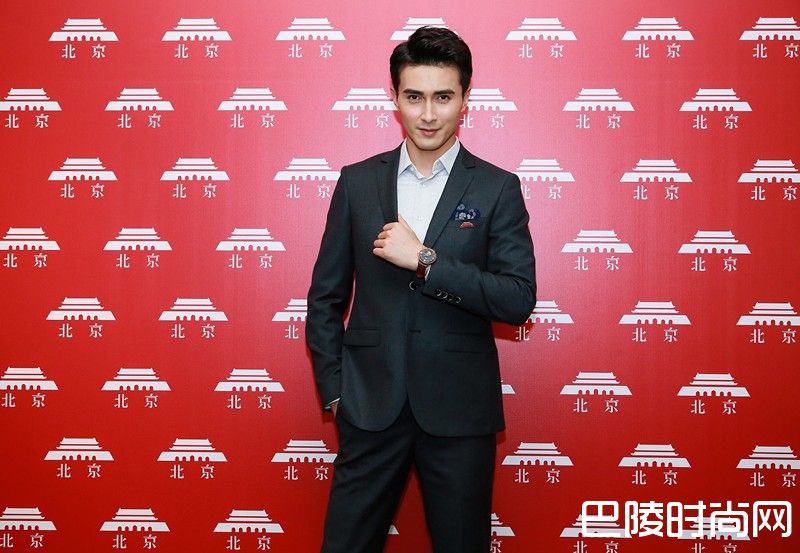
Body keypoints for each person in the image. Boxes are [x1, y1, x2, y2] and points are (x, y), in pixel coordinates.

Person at [306, 26, 536, 553]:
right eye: (414, 97)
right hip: (368, 407)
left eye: (443, 97)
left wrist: (426, 261)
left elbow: (517, 298)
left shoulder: (497, 187)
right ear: (395, 98)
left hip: (460, 412)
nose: (428, 114)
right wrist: (337, 393)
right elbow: (325, 299)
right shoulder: (358, 182)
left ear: (465, 98)